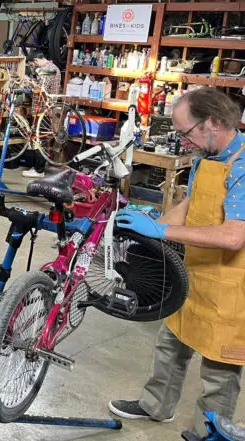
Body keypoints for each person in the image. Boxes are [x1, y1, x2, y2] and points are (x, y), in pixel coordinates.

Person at [108, 87, 245, 438]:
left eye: (185, 133)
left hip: (233, 286)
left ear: (212, 123)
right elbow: (192, 203)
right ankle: (157, 406)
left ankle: (208, 433)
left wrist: (163, 231)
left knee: (219, 370)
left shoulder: (243, 165)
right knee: (171, 343)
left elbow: (233, 236)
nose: (182, 142)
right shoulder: (206, 157)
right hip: (195, 271)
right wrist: (157, 228)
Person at [21, 50, 61, 179]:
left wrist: (29, 82)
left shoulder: (51, 69)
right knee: (36, 138)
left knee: (40, 140)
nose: (34, 67)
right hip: (39, 109)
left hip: (45, 110)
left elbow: (41, 88)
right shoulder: (47, 68)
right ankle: (36, 167)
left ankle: (39, 170)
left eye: (33, 65)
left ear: (36, 61)